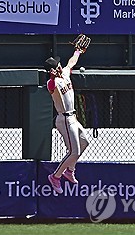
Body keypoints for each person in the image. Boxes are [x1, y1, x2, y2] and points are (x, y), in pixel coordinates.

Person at [44, 49, 89, 194]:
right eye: (56, 65)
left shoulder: (64, 73)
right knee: (73, 151)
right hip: (64, 119)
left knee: (85, 142)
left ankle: (69, 170)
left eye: (58, 64)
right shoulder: (53, 82)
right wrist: (51, 78)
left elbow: (71, 63)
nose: (59, 66)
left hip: (73, 118)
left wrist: (78, 52)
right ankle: (55, 176)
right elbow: (51, 87)